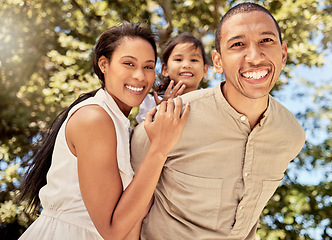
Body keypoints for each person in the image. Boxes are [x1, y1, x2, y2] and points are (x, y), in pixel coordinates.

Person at [130, 2, 306, 240]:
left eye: (266, 41)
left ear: (283, 54)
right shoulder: (171, 117)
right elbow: (128, 201)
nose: (254, 57)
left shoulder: (291, 136)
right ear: (218, 61)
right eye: (237, 44)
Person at [18, 22, 189, 240]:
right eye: (128, 63)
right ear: (104, 64)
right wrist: (160, 147)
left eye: (148, 66)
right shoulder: (94, 119)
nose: (140, 76)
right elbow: (113, 229)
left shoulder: (121, 125)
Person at [136, 32, 208, 123]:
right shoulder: (152, 104)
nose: (186, 65)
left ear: (205, 70)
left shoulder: (211, 103)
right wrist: (160, 110)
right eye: (178, 59)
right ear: (165, 69)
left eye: (194, 60)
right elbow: (142, 133)